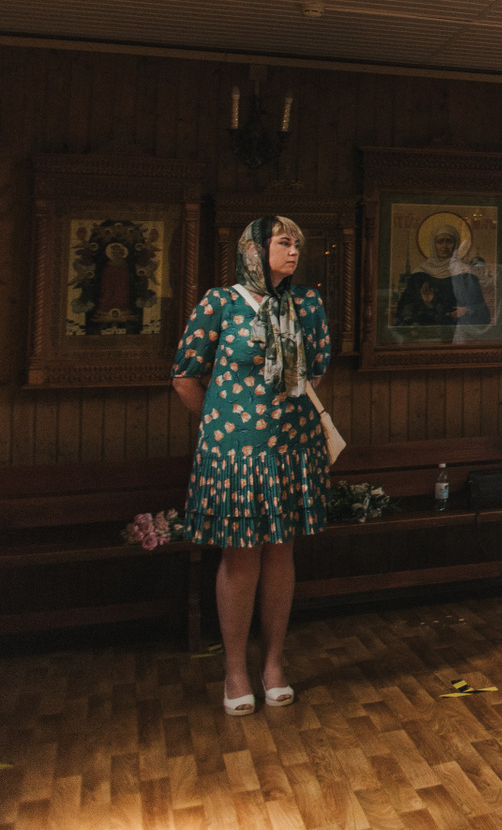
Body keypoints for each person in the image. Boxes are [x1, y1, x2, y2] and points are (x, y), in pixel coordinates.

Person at [172, 217, 333, 716]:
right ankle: (235, 671)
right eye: (284, 242)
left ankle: (274, 666)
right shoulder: (219, 303)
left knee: (281, 552)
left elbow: (316, 370)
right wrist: (226, 422)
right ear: (254, 249)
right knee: (241, 557)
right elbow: (184, 377)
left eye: (298, 243)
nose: (294, 250)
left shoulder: (307, 303)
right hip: (234, 455)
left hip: (292, 448)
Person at [395, 221, 491, 328]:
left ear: (456, 244)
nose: (444, 246)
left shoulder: (466, 274)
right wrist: (425, 303)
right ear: (433, 244)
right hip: (427, 334)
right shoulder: (420, 275)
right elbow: (404, 311)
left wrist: (466, 311)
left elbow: (482, 311)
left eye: (449, 241)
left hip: (459, 331)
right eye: (440, 242)